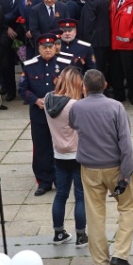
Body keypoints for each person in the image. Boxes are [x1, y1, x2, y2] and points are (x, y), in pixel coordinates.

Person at [69, 70, 133, 265]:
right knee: (128, 207)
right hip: (115, 166)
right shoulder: (116, 107)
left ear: (84, 87)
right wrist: (126, 173)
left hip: (89, 167)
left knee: (95, 215)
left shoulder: (77, 107)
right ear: (105, 85)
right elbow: (125, 142)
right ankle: (121, 253)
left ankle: (100, 263)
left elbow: (73, 124)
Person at [19, 33, 75, 196]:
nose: (48, 50)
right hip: (39, 113)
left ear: (55, 47)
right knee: (41, 147)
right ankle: (44, 181)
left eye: (51, 47)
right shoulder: (30, 65)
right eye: (44, 47)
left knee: (60, 145)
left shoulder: (65, 64)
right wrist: (35, 100)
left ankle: (61, 179)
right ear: (39, 49)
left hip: (60, 113)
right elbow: (23, 89)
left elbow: (73, 86)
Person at [43, 65, 87, 247]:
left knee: (61, 194)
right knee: (80, 196)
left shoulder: (47, 99)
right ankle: (81, 235)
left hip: (58, 153)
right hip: (77, 154)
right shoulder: (75, 105)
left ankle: (59, 232)